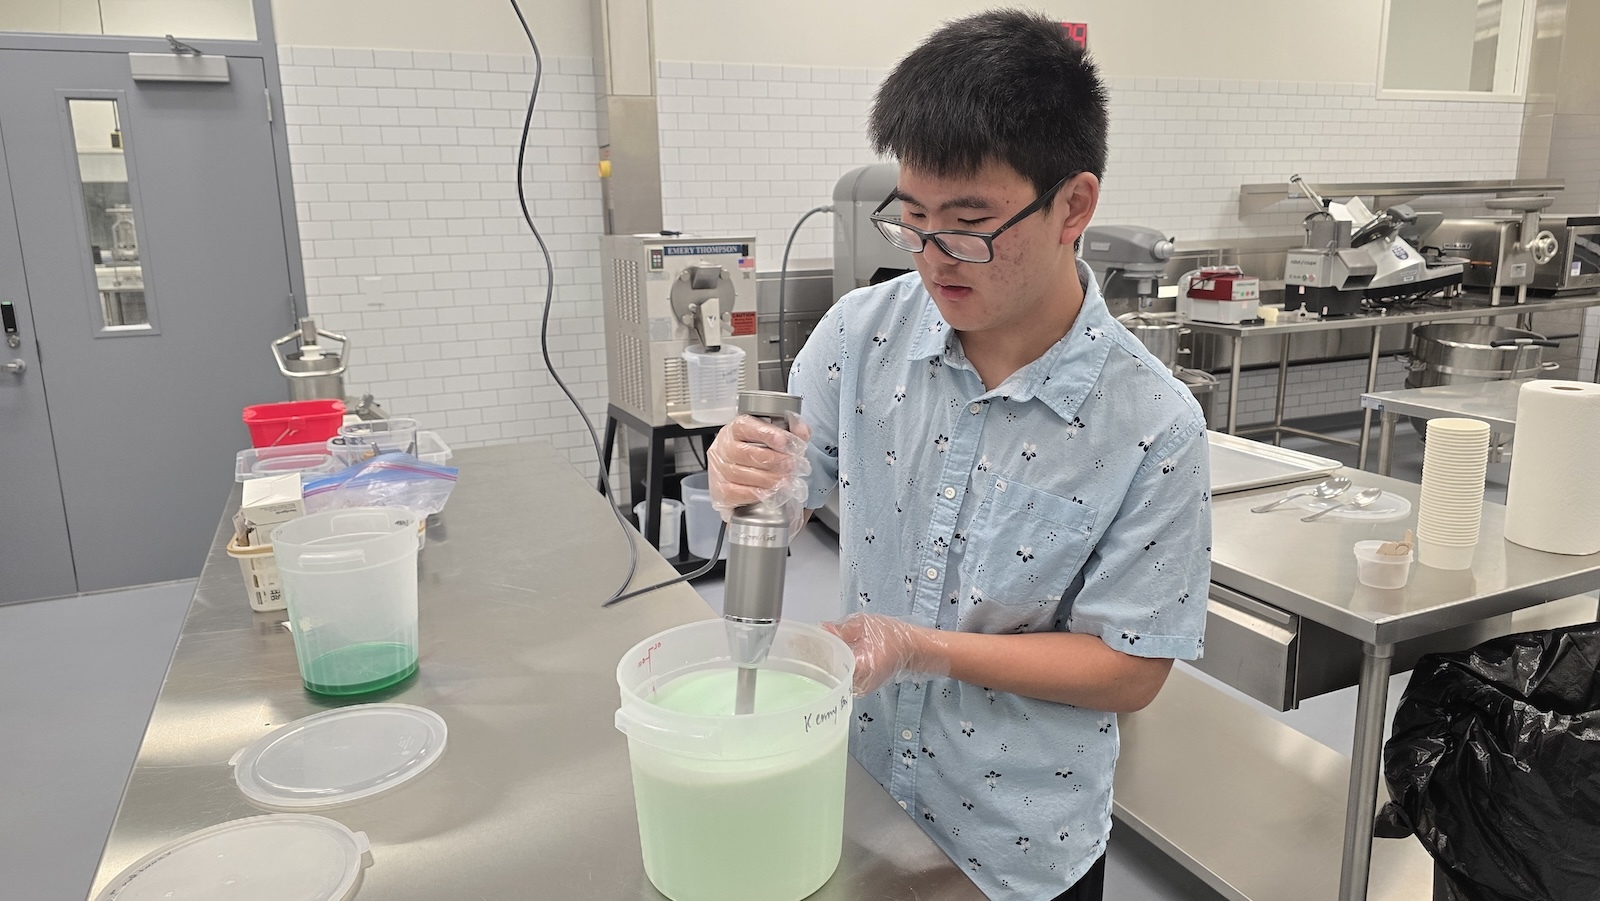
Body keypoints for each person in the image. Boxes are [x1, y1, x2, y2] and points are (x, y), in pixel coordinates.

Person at [706, 9, 1210, 900]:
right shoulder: (860, 336)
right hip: (859, 802)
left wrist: (918, 647)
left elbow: (1130, 668)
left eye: (970, 222)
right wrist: (746, 476)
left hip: (1020, 846)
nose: (935, 258)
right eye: (913, 220)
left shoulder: (1151, 425)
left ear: (1073, 206)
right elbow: (789, 490)